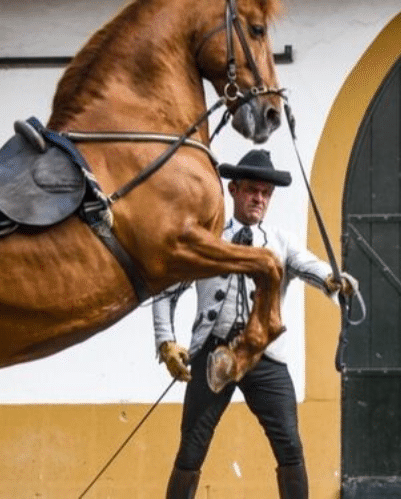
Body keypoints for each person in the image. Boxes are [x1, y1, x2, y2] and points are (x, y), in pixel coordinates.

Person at [152, 149, 356, 499]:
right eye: (251, 191)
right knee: (191, 448)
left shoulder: (280, 243)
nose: (258, 199)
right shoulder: (208, 239)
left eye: (265, 193)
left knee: (290, 445)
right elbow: (165, 292)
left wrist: (334, 280)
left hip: (265, 359)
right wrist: (166, 343)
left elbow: (313, 268)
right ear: (234, 191)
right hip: (213, 354)